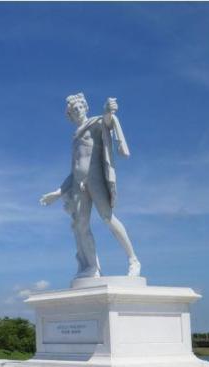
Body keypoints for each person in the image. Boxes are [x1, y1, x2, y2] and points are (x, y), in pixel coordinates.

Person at [40, 93, 140, 278]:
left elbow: (107, 122)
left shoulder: (94, 124)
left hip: (95, 179)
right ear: (70, 116)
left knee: (108, 218)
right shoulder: (75, 138)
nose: (77, 110)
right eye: (73, 109)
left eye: (80, 107)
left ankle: (133, 259)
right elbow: (75, 170)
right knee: (81, 226)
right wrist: (58, 192)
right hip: (78, 185)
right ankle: (93, 267)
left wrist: (108, 111)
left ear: (85, 108)